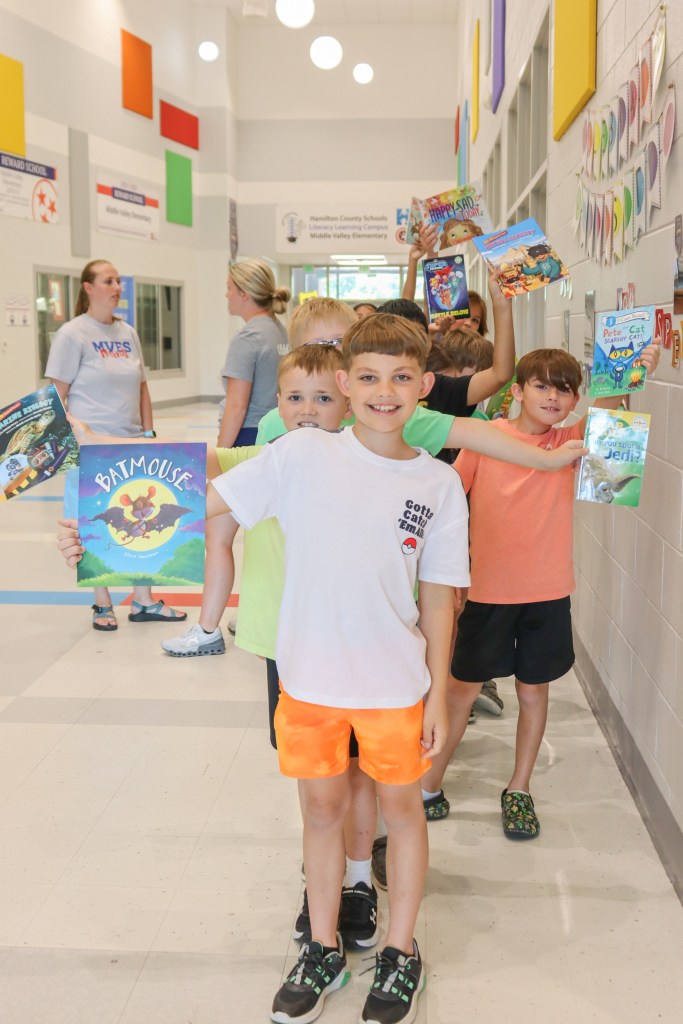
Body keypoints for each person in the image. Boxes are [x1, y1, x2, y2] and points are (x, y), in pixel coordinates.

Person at [205, 316, 588, 1024]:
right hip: (310, 681)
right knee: (320, 811)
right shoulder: (301, 456)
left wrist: (443, 695)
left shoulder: (436, 485)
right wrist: (105, 527)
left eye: (402, 378)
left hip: (393, 687)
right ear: (346, 385)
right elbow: (207, 506)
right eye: (371, 378)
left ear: (424, 390)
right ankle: (321, 945)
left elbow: (441, 598)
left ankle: (400, 951)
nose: (386, 392)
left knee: (400, 812)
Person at [420, 344, 660, 841]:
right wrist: (448, 580)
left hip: (548, 594)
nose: (555, 396)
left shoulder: (570, 442)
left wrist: (634, 370)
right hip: (486, 594)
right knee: (461, 691)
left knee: (534, 692)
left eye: (565, 388)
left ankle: (520, 788)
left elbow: (610, 413)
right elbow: (446, 505)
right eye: (543, 385)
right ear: (519, 390)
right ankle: (429, 783)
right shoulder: (485, 441)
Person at [46, 258, 186, 632]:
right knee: (92, 522)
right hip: (88, 446)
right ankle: (101, 602)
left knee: (142, 519)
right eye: (109, 281)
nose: (117, 287)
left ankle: (143, 599)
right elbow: (56, 395)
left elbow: (141, 386)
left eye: (119, 281)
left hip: (130, 442)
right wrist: (62, 447)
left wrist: (150, 434)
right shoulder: (72, 334)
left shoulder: (128, 333)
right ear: (88, 288)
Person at [217, 259, 290, 448]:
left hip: (248, 434)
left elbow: (236, 407)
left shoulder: (247, 338)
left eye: (229, 288)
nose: (226, 295)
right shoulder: (280, 331)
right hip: (277, 431)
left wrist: (220, 454)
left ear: (243, 294)